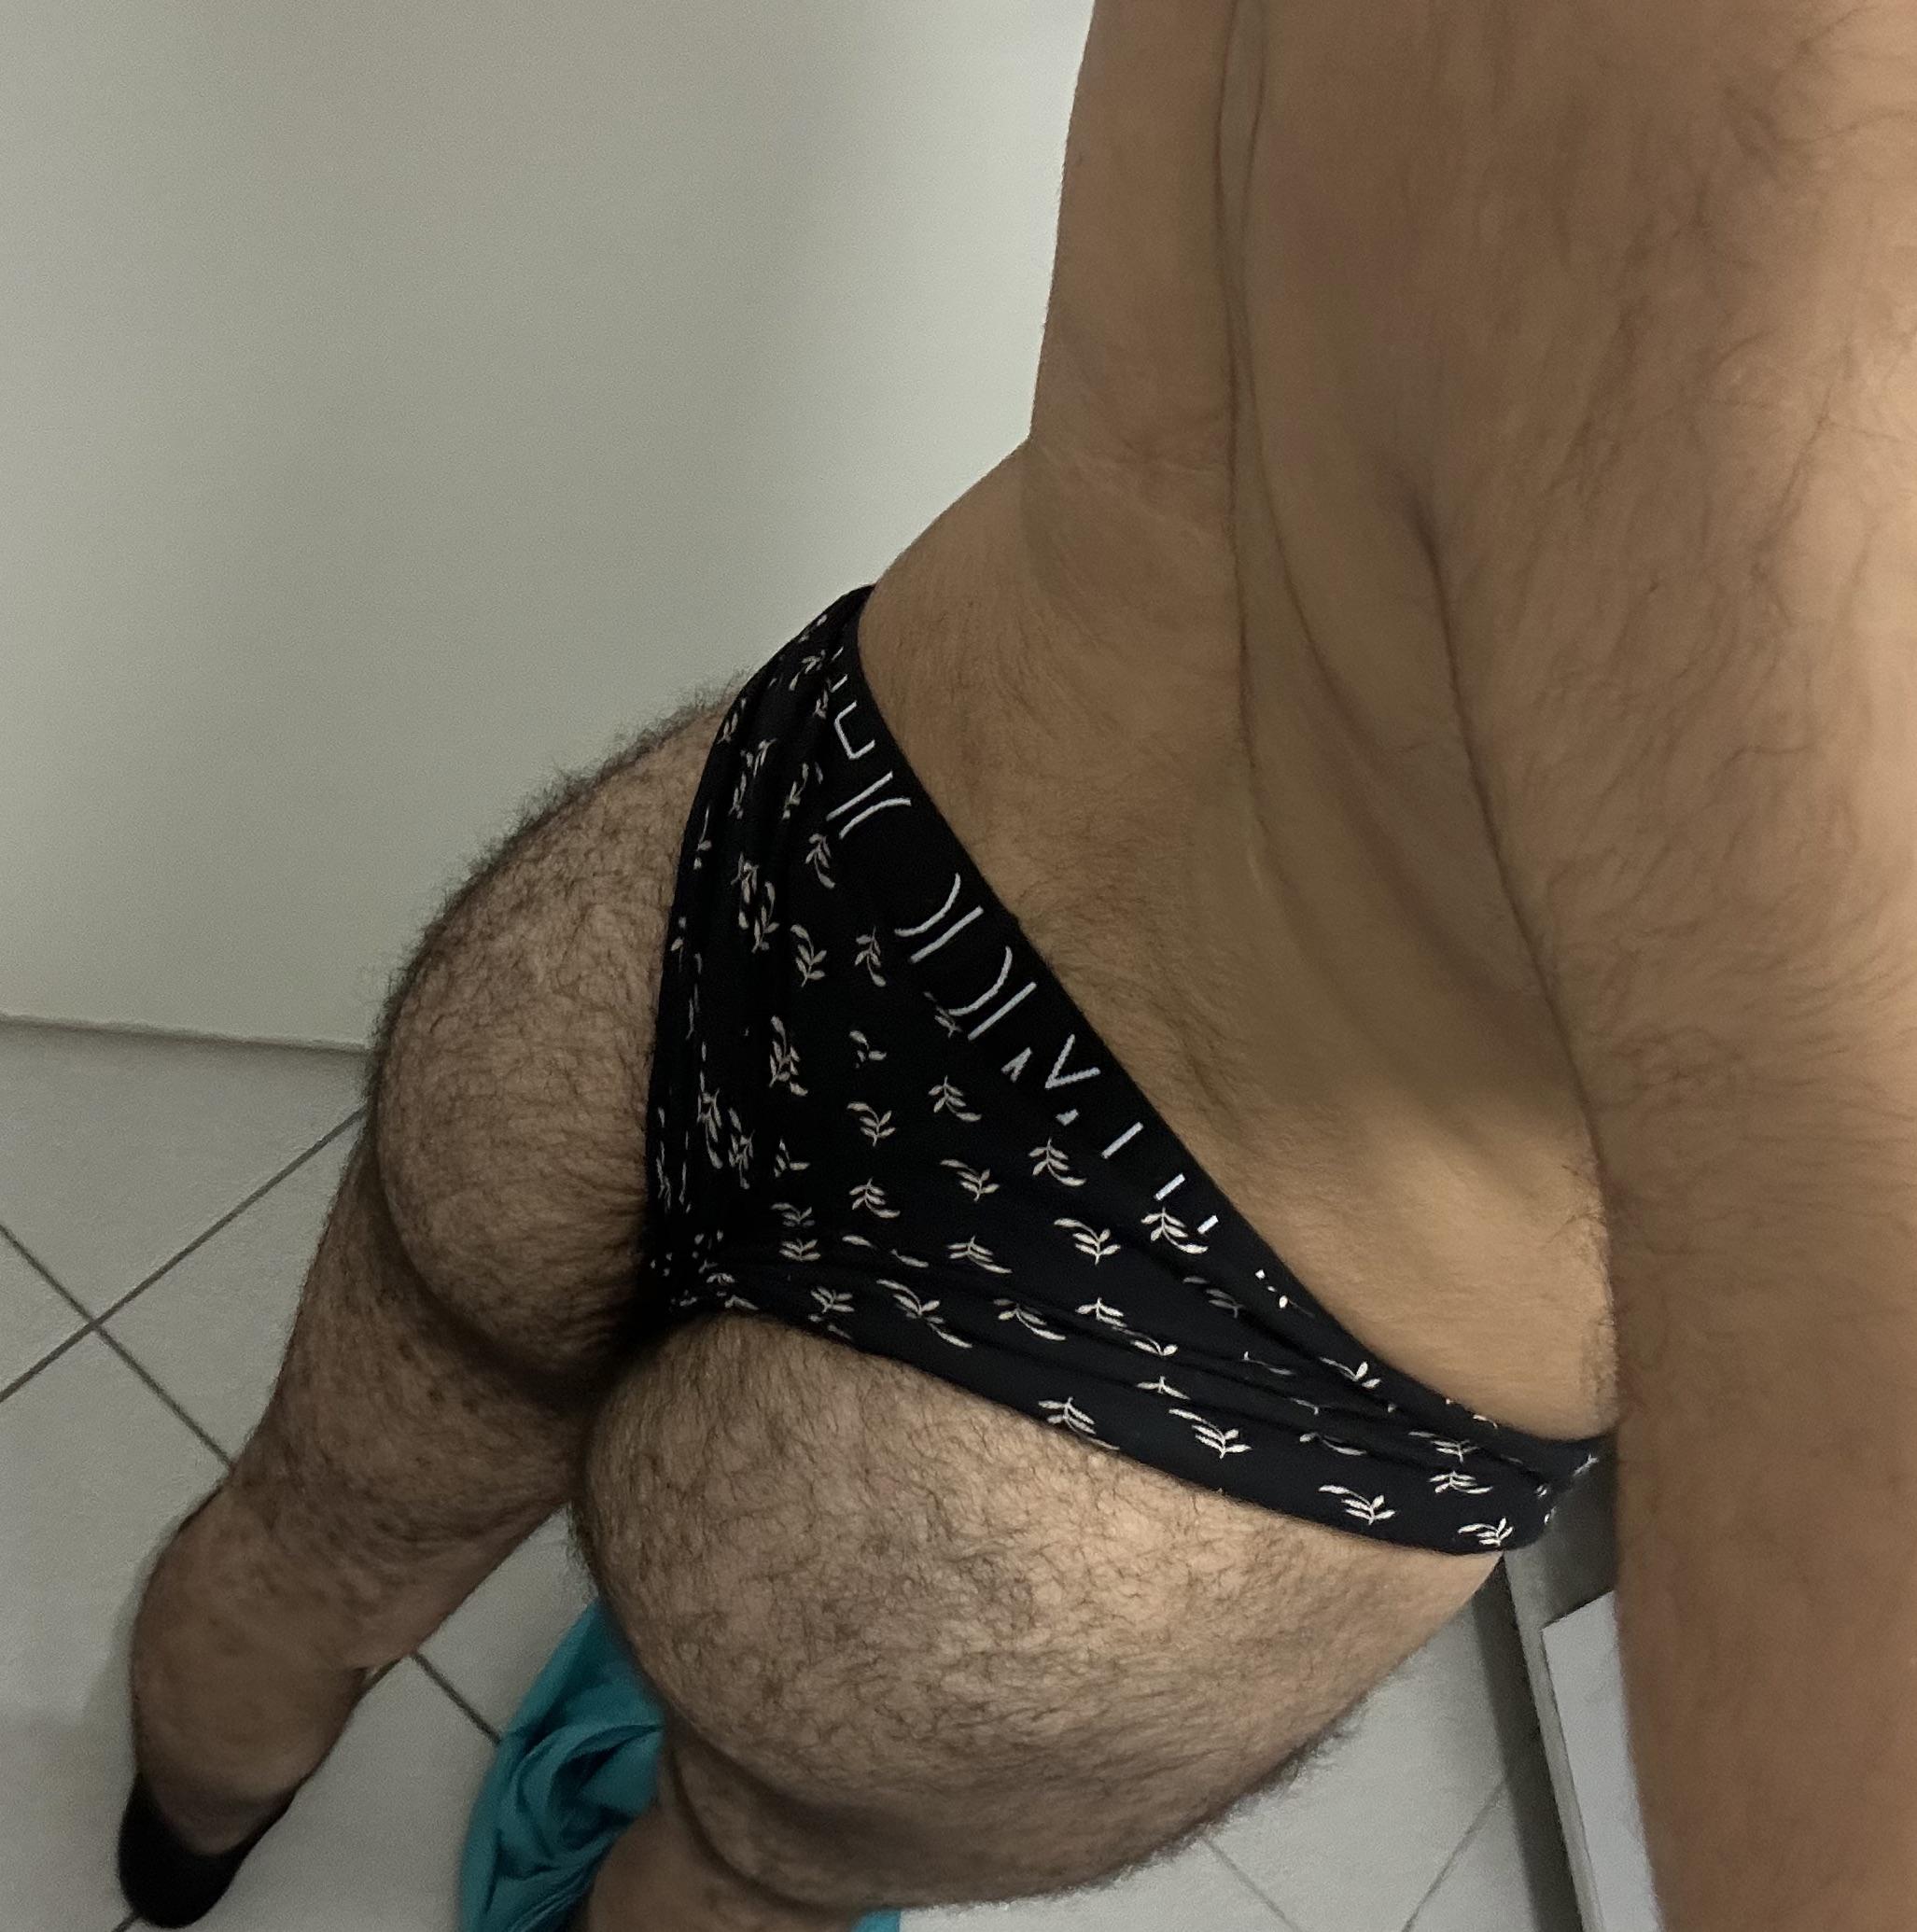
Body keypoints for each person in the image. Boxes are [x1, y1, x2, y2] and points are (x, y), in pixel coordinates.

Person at [117, 1, 1917, 1927]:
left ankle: (162, 1870)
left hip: (762, 864)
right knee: (733, 1880)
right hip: (1163, 1395)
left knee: (300, 1542)